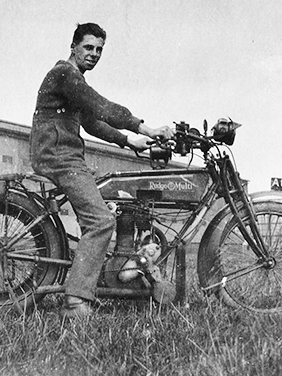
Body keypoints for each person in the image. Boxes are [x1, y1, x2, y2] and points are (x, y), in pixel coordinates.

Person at [30, 23, 174, 318]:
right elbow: (100, 107)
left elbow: (92, 122)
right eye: (88, 47)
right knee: (101, 221)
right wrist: (143, 127)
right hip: (59, 157)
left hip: (66, 155)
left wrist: (129, 140)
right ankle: (75, 302)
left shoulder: (72, 81)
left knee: (114, 205)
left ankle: (106, 275)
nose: (94, 54)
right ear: (73, 46)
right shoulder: (64, 74)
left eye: (99, 50)